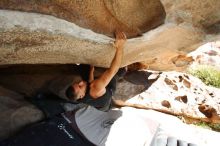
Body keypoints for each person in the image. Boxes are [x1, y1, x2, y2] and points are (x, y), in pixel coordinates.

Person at [65, 31, 127, 111]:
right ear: (82, 96)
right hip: (106, 102)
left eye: (77, 84)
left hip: (98, 101)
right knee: (116, 74)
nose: (80, 82)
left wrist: (91, 70)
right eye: (80, 86)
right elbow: (113, 70)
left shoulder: (80, 96)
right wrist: (120, 46)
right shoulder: (96, 88)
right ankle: (123, 72)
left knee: (86, 73)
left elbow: (90, 84)